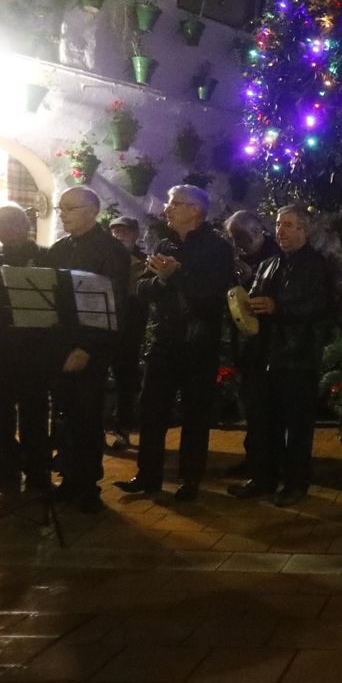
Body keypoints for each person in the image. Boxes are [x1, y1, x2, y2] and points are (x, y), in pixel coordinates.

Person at [118, 184, 236, 502]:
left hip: (199, 342)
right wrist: (162, 279)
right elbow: (142, 289)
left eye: (175, 204)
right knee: (151, 409)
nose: (167, 209)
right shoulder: (165, 244)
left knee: (195, 414)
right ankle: (148, 475)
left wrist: (176, 276)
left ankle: (189, 480)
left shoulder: (218, 249)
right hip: (164, 339)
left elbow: (212, 294)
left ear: (196, 210)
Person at [231, 204, 334, 504]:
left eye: (288, 225)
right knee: (264, 422)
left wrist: (279, 308)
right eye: (278, 224)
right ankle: (263, 478)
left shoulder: (317, 265)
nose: (280, 231)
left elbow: (320, 306)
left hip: (297, 355)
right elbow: (254, 302)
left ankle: (296, 484)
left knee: (297, 425)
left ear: (305, 229)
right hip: (264, 353)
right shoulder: (268, 264)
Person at [45, 185, 132, 513]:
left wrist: (87, 347)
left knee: (86, 415)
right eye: (61, 208)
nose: (63, 214)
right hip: (60, 343)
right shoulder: (58, 249)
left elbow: (115, 306)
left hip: (90, 346)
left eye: (69, 208)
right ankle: (67, 477)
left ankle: (87, 483)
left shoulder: (111, 251)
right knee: (63, 413)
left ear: (91, 212)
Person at [0, 205, 51, 493]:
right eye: (0, 224)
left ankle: (37, 473)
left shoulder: (46, 256)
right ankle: (6, 467)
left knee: (34, 414)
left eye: (14, 223)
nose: (7, 230)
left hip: (32, 349)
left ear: (26, 224)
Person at [225, 210, 279, 477]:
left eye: (242, 237)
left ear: (258, 231)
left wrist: (250, 279)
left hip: (270, 346)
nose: (237, 244)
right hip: (246, 344)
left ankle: (268, 463)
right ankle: (254, 458)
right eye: (233, 238)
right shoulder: (238, 259)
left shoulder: (277, 256)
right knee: (251, 405)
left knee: (267, 407)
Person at [106, 217, 148, 450]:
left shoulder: (142, 262)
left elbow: (140, 293)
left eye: (124, 231)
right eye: (115, 231)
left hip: (130, 328)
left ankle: (123, 430)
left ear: (135, 234)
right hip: (105, 325)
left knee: (126, 379)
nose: (119, 235)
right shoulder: (105, 258)